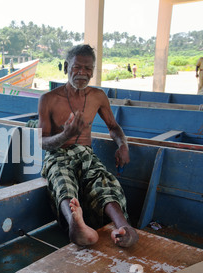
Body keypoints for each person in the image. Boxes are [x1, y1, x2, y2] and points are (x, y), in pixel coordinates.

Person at [38, 44, 138, 248]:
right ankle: (76, 226)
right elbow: (42, 142)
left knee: (105, 181)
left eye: (88, 68)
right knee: (62, 181)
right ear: (66, 67)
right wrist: (66, 134)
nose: (82, 73)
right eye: (77, 67)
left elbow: (114, 127)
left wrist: (123, 145)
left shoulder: (98, 96)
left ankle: (124, 227)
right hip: (58, 155)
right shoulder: (48, 99)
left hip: (86, 155)